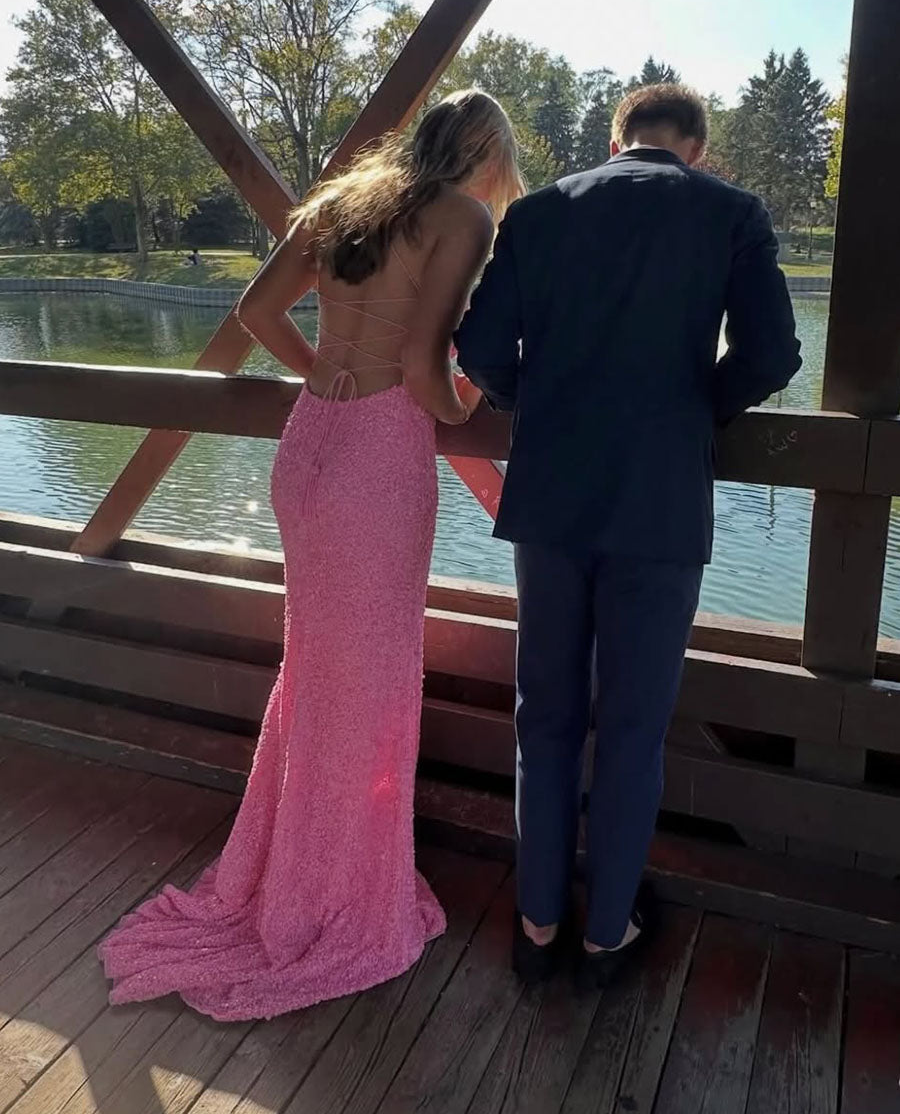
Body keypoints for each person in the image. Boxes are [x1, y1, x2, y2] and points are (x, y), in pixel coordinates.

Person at [98, 89, 524, 1020]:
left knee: (321, 671)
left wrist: (316, 371)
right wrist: (473, 408)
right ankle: (334, 890)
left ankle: (299, 865)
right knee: (367, 679)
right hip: (379, 459)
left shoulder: (342, 205)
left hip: (311, 447)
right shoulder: (464, 217)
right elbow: (424, 372)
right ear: (488, 155)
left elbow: (258, 310)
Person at [455, 83, 801, 988]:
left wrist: (536, 404)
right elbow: (772, 354)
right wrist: (692, 414)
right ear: (697, 147)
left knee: (546, 717)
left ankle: (536, 925)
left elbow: (480, 351)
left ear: (617, 140)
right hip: (660, 505)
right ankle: (607, 933)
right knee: (634, 728)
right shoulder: (731, 212)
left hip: (550, 501)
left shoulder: (537, 212)